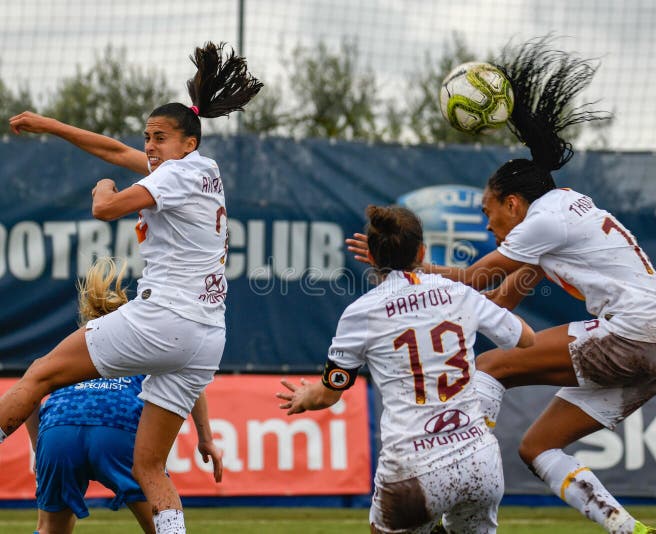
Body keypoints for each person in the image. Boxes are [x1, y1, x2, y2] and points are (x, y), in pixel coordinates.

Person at [347, 38, 656, 534]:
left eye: (489, 213)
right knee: (537, 446)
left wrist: (411, 267)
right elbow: (500, 301)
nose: (489, 226)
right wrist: (450, 303)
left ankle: (462, 466)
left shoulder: (542, 222)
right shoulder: (562, 211)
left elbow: (477, 277)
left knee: (491, 366)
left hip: (632, 332)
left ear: (513, 203)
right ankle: (629, 530)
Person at [5, 41, 261, 534]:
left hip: (165, 318)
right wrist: (50, 125)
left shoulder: (177, 174)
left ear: (188, 143)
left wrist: (102, 187)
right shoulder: (202, 172)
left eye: (160, 138)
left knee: (38, 376)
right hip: (207, 336)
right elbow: (112, 148)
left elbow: (105, 207)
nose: (149, 146)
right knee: (148, 469)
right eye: (148, 137)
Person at [279, 205, 535, 533]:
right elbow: (525, 339)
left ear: (371, 257)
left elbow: (328, 395)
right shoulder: (460, 294)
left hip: (413, 467)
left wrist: (304, 396)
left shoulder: (361, 313)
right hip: (479, 460)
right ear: (422, 251)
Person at [25, 257, 223, 534]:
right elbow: (189, 381)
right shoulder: (144, 342)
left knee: (49, 530)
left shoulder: (70, 349)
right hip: (117, 430)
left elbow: (30, 391)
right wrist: (206, 439)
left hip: (60, 430)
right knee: (159, 520)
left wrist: (40, 448)